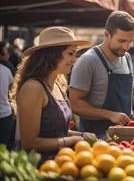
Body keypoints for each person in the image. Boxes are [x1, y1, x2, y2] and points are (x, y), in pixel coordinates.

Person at [9, 27, 96, 165]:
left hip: (61, 164)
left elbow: (55, 131)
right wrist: (72, 140)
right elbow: (30, 143)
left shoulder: (58, 85)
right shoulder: (33, 88)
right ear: (53, 54)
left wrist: (81, 135)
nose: (74, 60)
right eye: (71, 53)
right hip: (38, 168)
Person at [69, 11, 134, 138]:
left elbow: (133, 91)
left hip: (125, 136)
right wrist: (109, 114)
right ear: (107, 34)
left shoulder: (126, 58)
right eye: (121, 40)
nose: (126, 47)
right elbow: (74, 104)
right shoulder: (88, 61)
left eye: (130, 41)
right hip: (96, 139)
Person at [0, 42, 14, 150]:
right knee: (4, 151)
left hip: (5, 114)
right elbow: (11, 89)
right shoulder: (6, 69)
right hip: (5, 114)